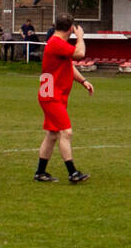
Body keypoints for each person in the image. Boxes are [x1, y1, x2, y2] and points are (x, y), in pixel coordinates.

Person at [34, 15, 93, 184]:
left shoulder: (57, 44)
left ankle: (40, 172)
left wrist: (83, 81)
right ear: (70, 29)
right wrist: (80, 37)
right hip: (51, 95)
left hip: (52, 94)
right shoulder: (56, 43)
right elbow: (79, 53)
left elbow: (69, 65)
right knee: (66, 132)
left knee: (52, 134)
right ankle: (73, 172)